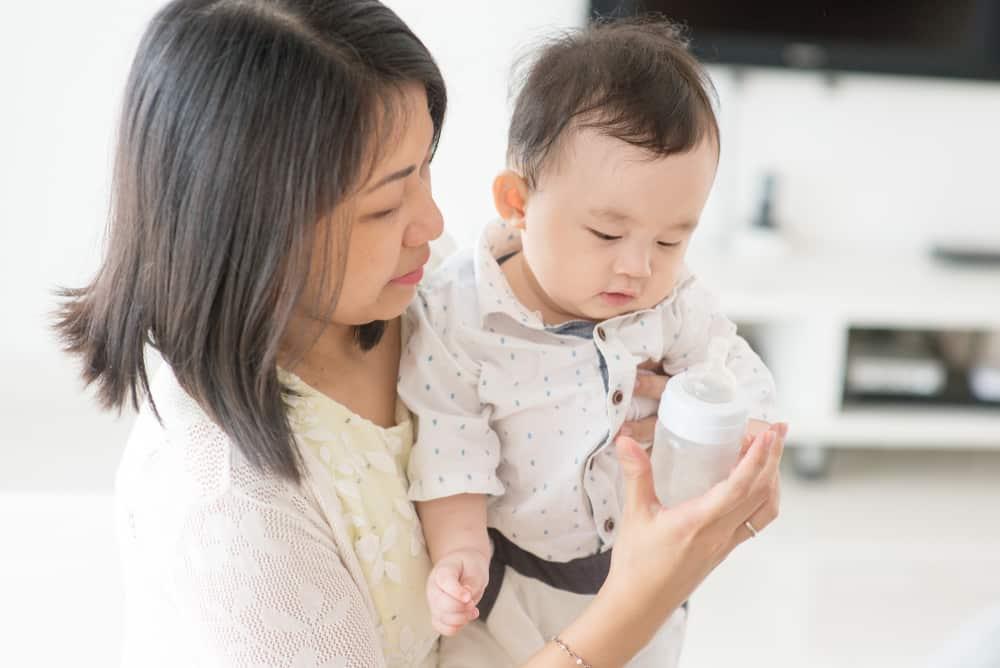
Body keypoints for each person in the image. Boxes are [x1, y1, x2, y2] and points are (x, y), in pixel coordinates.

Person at [54, 1, 784, 666]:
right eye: (382, 207)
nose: (435, 228)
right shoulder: (226, 508)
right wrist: (639, 601)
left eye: (426, 169)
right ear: (252, 230)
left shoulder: (419, 301)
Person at [397, 18, 782, 667]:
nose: (637, 267)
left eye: (670, 241)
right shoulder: (458, 314)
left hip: (640, 571)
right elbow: (449, 448)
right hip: (511, 585)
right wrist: (459, 555)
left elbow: (731, 368)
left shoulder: (671, 300)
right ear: (518, 202)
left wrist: (745, 426)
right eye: (607, 234)